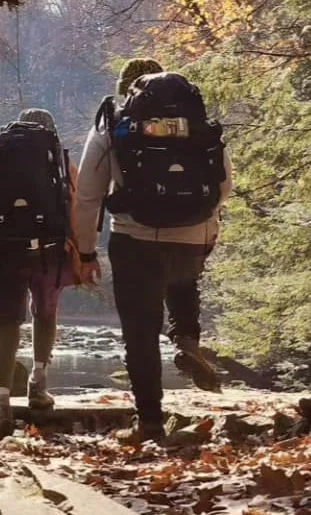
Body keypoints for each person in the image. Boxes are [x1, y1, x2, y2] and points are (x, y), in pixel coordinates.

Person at [73, 59, 231, 445]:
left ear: (126, 90)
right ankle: (186, 335)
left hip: (136, 238)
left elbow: (87, 197)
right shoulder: (194, 121)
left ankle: (150, 422)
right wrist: (199, 218)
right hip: (195, 237)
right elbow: (225, 183)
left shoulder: (111, 127)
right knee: (181, 279)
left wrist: (85, 253)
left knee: (140, 332)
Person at [0, 108, 86, 448]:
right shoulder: (60, 166)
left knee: (4, 328)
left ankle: (1, 406)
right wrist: (82, 254)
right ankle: (38, 385)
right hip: (48, 252)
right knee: (45, 314)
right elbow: (75, 207)